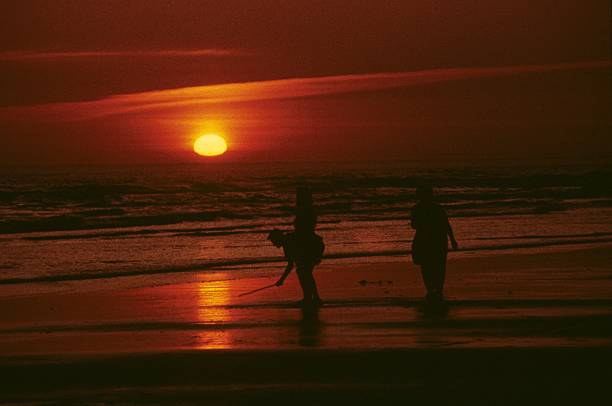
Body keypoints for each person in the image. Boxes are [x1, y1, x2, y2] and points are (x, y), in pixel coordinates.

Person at [411, 183, 458, 302]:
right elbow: (446, 224)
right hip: (437, 238)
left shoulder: (417, 209)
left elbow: (414, 225)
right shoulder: (438, 208)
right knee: (438, 265)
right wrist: (452, 239)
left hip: (426, 239)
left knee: (427, 265)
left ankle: (432, 290)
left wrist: (452, 239)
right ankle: (437, 290)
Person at [268, 229, 323, 306]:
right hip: (314, 247)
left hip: (314, 247)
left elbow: (290, 265)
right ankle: (312, 298)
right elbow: (291, 263)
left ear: (278, 238)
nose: (273, 244)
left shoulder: (288, 242)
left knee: (303, 271)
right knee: (304, 272)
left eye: (273, 241)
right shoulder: (287, 241)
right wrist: (281, 280)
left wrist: (281, 280)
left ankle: (311, 298)